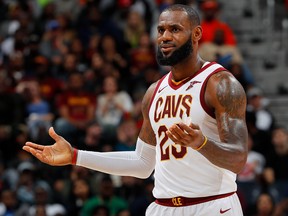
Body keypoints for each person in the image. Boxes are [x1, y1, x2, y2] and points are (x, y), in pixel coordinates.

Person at [22, 4, 248, 216]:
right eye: (161, 30)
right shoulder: (153, 93)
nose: (165, 37)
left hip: (213, 206)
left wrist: (202, 143)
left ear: (197, 34)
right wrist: (75, 156)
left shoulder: (220, 84)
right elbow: (142, 164)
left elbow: (238, 158)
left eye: (175, 29)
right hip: (164, 208)